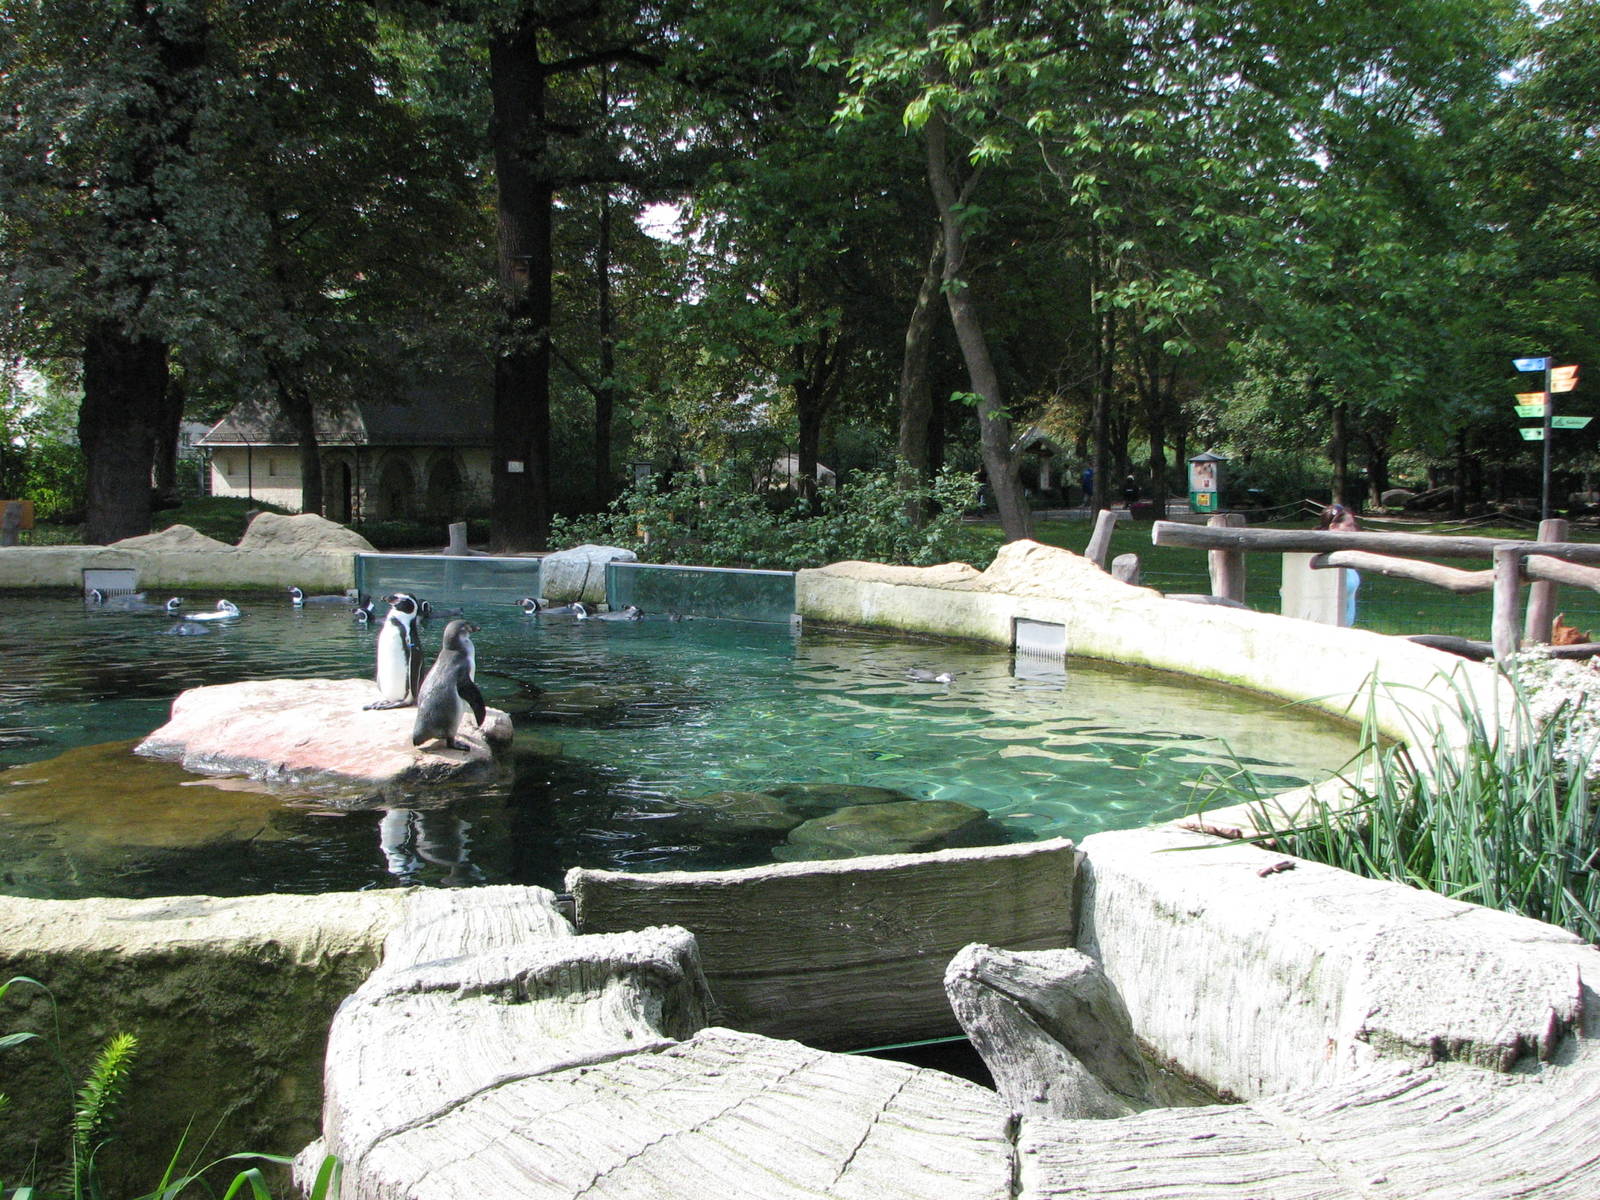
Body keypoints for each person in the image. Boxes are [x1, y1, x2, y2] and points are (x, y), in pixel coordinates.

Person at [1317, 503, 1360, 625]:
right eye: (1349, 525)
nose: (1354, 530)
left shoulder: (1345, 556)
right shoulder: (1323, 560)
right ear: (1333, 527)